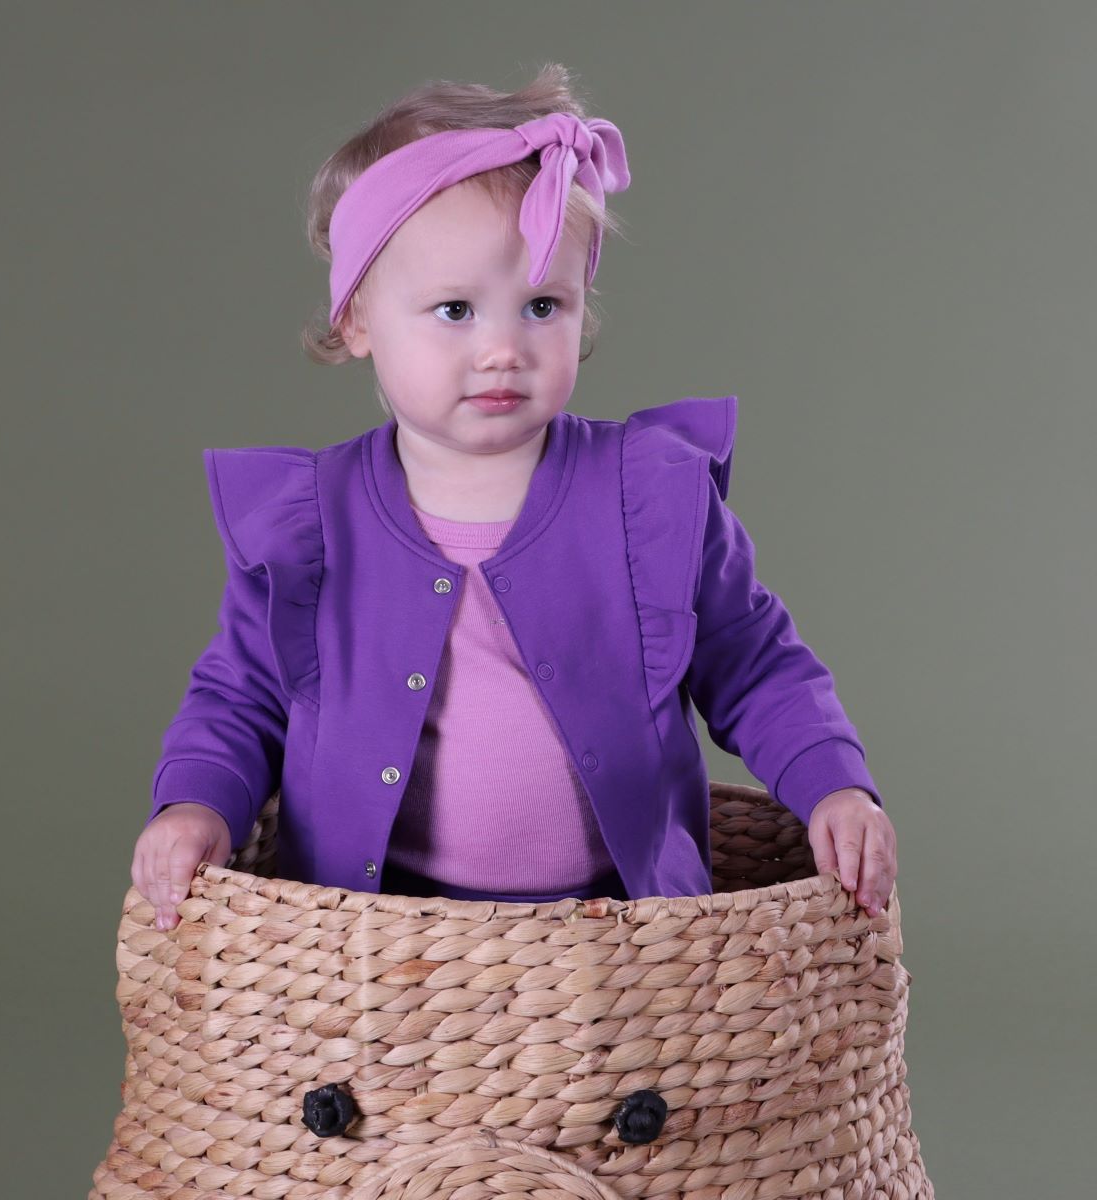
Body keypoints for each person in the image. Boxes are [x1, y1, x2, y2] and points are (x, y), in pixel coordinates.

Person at [132, 64, 897, 932]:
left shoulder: (650, 495)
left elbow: (759, 666)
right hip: (375, 932)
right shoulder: (313, 523)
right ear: (357, 321)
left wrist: (834, 784)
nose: (503, 349)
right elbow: (239, 696)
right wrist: (196, 807)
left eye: (541, 305)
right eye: (455, 310)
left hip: (622, 931)